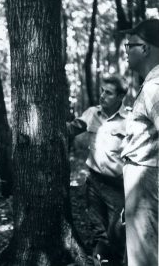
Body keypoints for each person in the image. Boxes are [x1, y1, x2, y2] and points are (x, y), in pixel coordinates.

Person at [67, 74, 129, 266]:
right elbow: (71, 128)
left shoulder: (130, 120)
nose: (102, 96)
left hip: (117, 188)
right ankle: (100, 263)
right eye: (102, 91)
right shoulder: (92, 113)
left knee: (118, 236)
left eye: (108, 93)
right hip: (94, 183)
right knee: (98, 234)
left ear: (120, 97)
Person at [120, 18, 159, 266]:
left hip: (147, 185)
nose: (125, 51)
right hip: (141, 187)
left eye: (129, 45)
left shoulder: (155, 88)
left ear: (144, 48)